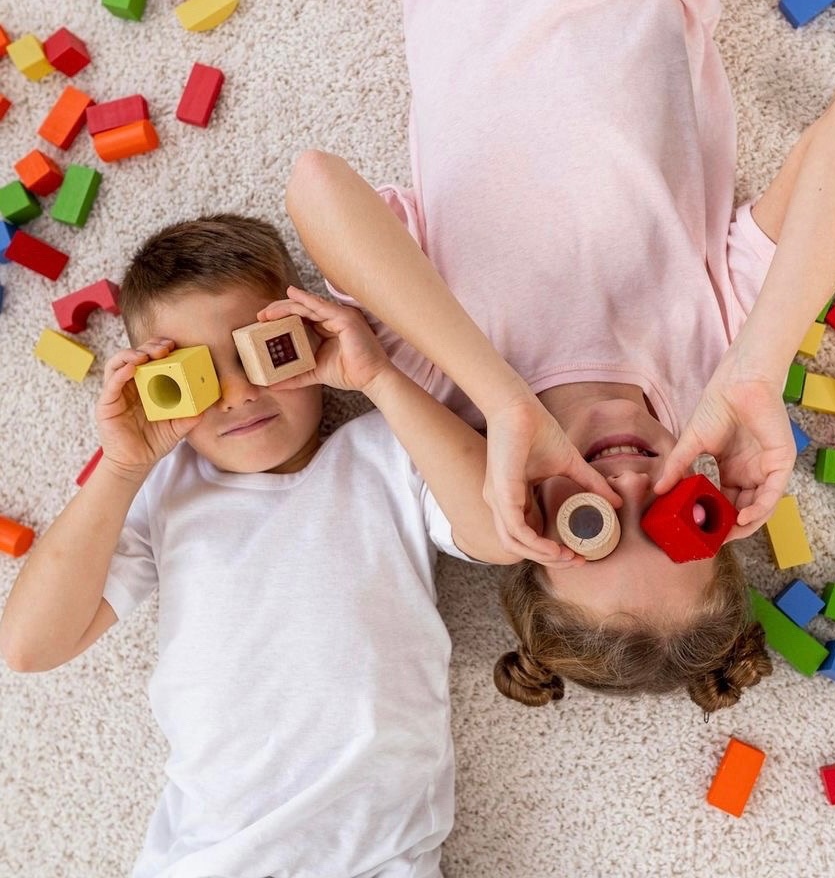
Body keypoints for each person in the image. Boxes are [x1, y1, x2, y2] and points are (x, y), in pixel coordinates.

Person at [280, 0, 835, 711]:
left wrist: (506, 401)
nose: (631, 481)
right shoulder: (719, 360)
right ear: (712, 505)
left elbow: (315, 185)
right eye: (675, 516)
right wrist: (757, 369)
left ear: (530, 525)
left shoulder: (447, 373)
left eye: (593, 524)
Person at [0, 215, 526, 878]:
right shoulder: (165, 489)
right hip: (207, 858)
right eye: (194, 376)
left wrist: (378, 378)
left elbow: (501, 532)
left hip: (375, 858)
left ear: (309, 338)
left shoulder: (386, 453)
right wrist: (123, 467)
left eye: (262, 353)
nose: (238, 394)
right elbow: (30, 646)